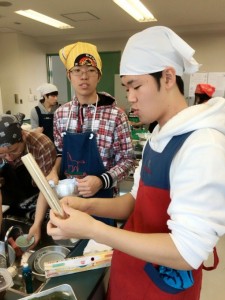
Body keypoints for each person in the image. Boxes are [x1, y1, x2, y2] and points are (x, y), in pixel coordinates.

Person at [47, 26, 225, 299]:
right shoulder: (159, 134)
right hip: (130, 271)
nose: (129, 98)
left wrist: (94, 228)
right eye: (126, 87)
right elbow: (134, 200)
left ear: (167, 77)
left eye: (136, 86)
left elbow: (185, 253)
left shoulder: (202, 145)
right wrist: (85, 205)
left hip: (161, 287)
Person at [31, 41, 134, 231]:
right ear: (69, 75)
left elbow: (128, 160)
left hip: (105, 200)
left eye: (90, 70)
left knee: (100, 252)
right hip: (70, 199)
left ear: (99, 75)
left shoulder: (116, 115)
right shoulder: (61, 114)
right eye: (77, 70)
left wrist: (102, 180)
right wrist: (54, 171)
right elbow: (61, 153)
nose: (84, 76)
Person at [0, 114, 56, 242]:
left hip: (39, 204)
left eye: (14, 151)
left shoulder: (41, 145)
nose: (8, 157)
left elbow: (46, 188)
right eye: (2, 154)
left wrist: (36, 224)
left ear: (23, 137)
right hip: (11, 207)